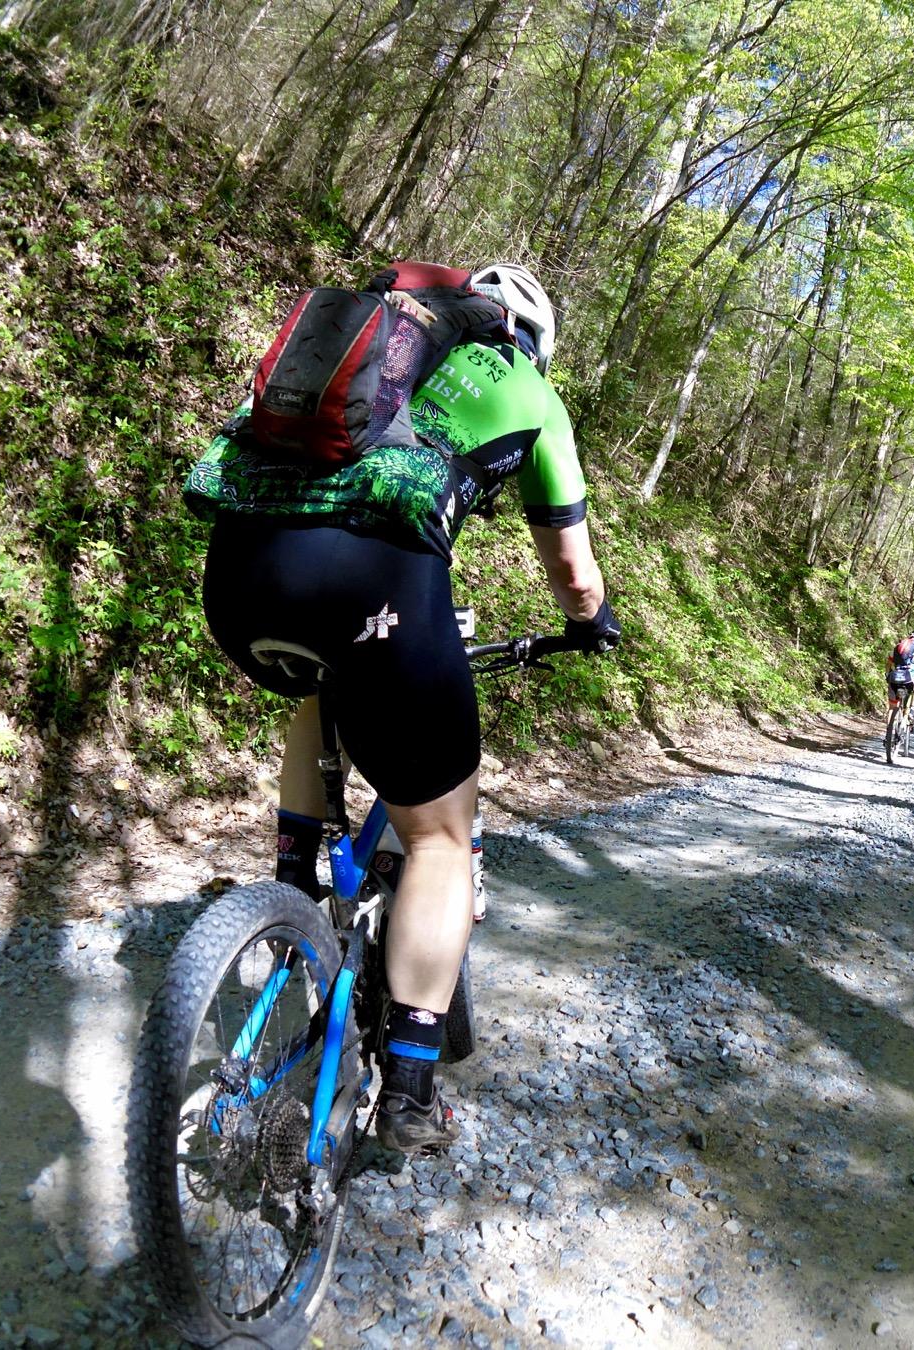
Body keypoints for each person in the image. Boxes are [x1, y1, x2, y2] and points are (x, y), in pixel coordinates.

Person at [186, 260, 619, 1153]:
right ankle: (412, 1094)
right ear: (532, 338)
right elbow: (574, 574)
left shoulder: (373, 347)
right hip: (372, 588)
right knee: (440, 838)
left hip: (237, 577)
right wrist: (591, 624)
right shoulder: (531, 391)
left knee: (317, 681)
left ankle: (292, 886)